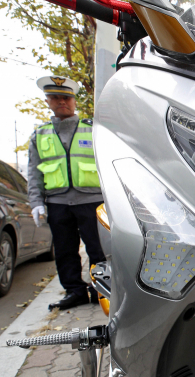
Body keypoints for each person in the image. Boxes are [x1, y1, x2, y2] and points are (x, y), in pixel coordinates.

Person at [28, 75, 106, 311]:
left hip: (92, 201)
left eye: (66, 98)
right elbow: (33, 172)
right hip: (57, 203)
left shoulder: (93, 130)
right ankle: (75, 291)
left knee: (97, 249)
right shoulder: (39, 135)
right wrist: (35, 203)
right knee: (64, 251)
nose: (61, 102)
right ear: (48, 101)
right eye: (55, 98)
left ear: (74, 102)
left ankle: (101, 290)